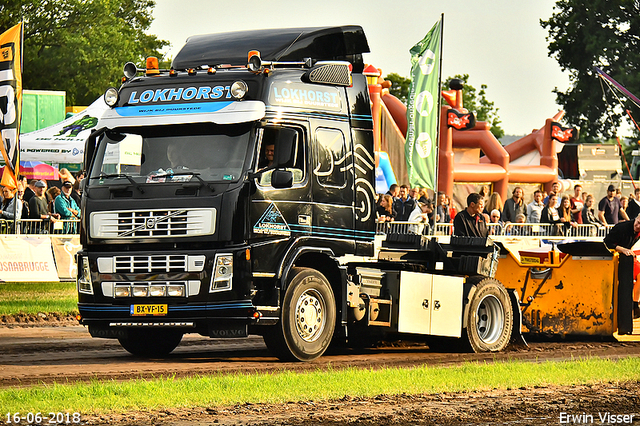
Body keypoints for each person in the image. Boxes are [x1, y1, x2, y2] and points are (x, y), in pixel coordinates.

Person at [604, 215, 640, 319]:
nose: (637, 226)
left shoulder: (637, 232)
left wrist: (629, 250)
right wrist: (623, 249)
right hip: (613, 256)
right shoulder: (622, 227)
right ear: (636, 218)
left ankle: (635, 304)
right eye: (637, 222)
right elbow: (607, 243)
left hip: (626, 258)